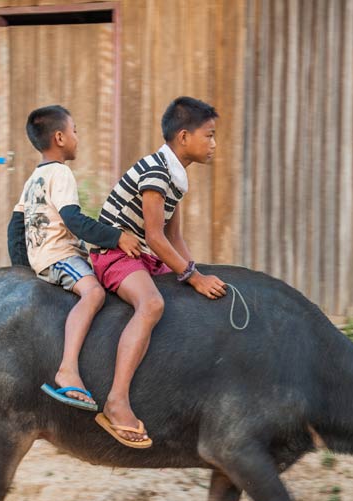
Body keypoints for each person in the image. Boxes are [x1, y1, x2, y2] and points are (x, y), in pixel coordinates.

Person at [90, 96, 227, 448]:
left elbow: (173, 236)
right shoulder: (156, 172)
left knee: (184, 292)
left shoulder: (175, 176)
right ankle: (116, 399)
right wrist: (193, 276)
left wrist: (195, 272)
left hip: (142, 254)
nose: (213, 144)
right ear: (184, 137)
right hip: (114, 253)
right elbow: (153, 235)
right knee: (152, 305)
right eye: (208, 135)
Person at [15, 105, 142, 422]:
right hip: (60, 255)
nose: (77, 137)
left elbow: (14, 227)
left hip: (43, 258)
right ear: (59, 137)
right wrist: (116, 238)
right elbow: (73, 219)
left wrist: (22, 270)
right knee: (95, 294)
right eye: (75, 130)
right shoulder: (60, 173)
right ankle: (68, 369)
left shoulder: (34, 179)